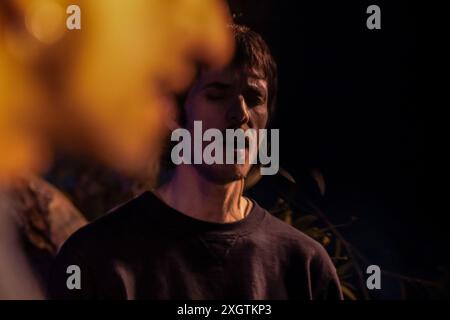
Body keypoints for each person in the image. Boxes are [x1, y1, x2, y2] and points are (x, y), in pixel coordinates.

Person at [48, 25, 342, 300]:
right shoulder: (96, 259)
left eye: (254, 98)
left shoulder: (304, 266)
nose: (240, 114)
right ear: (174, 113)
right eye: (217, 94)